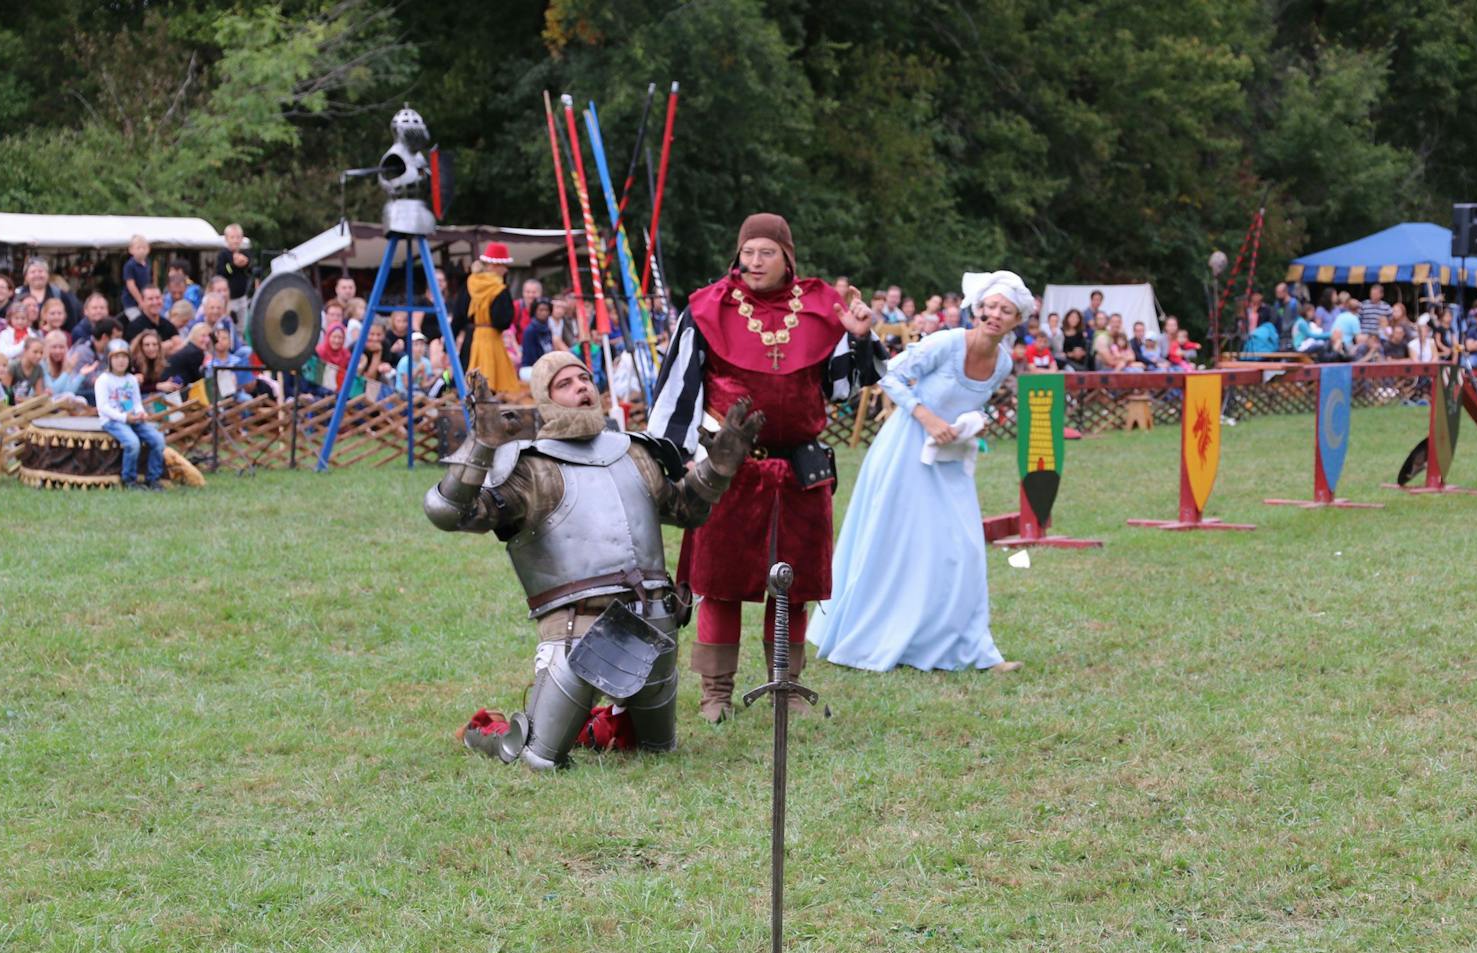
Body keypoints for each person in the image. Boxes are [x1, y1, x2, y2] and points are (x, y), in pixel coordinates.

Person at [423, 353, 764, 770]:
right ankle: (487, 734)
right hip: (577, 632)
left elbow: (686, 510)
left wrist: (718, 468)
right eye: (564, 383)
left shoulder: (635, 452)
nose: (581, 387)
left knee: (658, 751)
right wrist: (482, 445)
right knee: (537, 757)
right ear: (545, 399)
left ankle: (604, 724)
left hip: (657, 628)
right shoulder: (532, 467)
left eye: (585, 378)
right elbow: (450, 513)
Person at [647, 212, 884, 722]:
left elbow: (844, 387)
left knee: (792, 588)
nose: (755, 262)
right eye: (748, 252)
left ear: (787, 258)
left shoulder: (824, 306)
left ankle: (788, 687)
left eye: (766, 253)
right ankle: (716, 693)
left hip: (800, 470)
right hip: (727, 469)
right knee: (721, 584)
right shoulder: (708, 308)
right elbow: (678, 390)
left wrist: (860, 338)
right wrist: (668, 458)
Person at [809, 272, 1028, 673]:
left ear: (1016, 321)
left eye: (1006, 311)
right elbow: (888, 373)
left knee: (963, 549)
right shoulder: (946, 342)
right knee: (899, 544)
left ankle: (973, 648)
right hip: (906, 449)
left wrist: (970, 423)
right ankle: (876, 637)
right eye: (991, 307)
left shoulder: (1003, 363)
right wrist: (927, 417)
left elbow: (970, 403)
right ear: (978, 309)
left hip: (951, 458)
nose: (995, 315)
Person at [94, 338, 167, 492]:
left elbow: (136, 402)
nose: (121, 361)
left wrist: (141, 412)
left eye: (124, 357)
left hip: (133, 419)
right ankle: (129, 480)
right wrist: (124, 418)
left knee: (158, 440)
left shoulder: (131, 379)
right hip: (112, 420)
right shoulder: (103, 380)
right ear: (109, 359)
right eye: (116, 357)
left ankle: (153, 478)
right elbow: (103, 407)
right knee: (132, 443)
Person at [450, 242, 518, 394]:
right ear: (494, 266)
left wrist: (447, 344)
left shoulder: (469, 285)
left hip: (470, 339)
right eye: (504, 265)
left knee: (467, 381)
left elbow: (458, 317)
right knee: (493, 383)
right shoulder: (500, 289)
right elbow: (503, 321)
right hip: (492, 340)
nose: (506, 270)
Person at [14, 257, 82, 332]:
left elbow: (71, 322)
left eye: (41, 271)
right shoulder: (17, 295)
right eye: (33, 272)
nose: (37, 275)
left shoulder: (60, 294)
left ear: (48, 274)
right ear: (26, 276)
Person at [216, 223, 254, 332]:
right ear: (227, 239)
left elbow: (250, 269)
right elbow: (221, 272)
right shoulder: (223, 254)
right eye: (232, 237)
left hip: (242, 298)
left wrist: (246, 263)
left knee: (241, 328)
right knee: (228, 327)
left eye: (238, 237)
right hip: (228, 300)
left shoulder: (246, 253)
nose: (235, 240)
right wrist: (234, 265)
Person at [518, 298, 555, 372]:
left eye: (546, 310)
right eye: (541, 310)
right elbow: (532, 357)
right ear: (535, 311)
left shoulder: (548, 330)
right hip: (529, 368)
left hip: (545, 366)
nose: (544, 313)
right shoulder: (530, 331)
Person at [121, 234, 152, 320]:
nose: (141, 250)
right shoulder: (129, 265)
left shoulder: (148, 262)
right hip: (131, 301)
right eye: (138, 248)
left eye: (144, 248)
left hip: (146, 298)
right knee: (137, 320)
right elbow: (131, 285)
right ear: (131, 250)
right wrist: (140, 301)